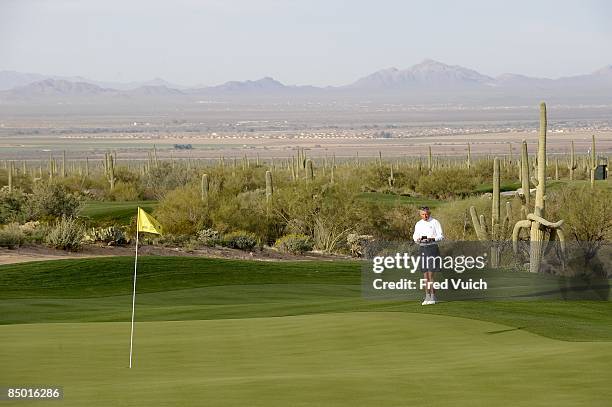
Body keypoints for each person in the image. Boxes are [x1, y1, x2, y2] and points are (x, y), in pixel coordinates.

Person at [412, 206, 444, 305]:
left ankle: (433, 297)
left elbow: (441, 236)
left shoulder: (435, 222)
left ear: (429, 213)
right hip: (422, 248)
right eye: (423, 214)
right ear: (420, 214)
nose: (425, 216)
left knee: (430, 274)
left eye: (426, 214)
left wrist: (432, 239)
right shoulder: (418, 224)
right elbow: (415, 236)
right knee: (425, 275)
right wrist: (417, 239)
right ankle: (427, 296)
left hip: (432, 248)